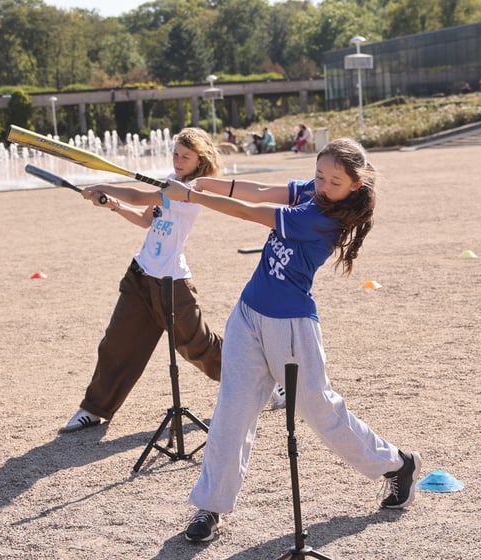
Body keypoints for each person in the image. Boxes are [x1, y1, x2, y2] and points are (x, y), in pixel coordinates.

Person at [162, 137, 421, 543]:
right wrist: (211, 185)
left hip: (291, 326)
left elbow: (256, 212)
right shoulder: (312, 192)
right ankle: (210, 507)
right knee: (232, 410)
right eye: (319, 175)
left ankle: (396, 464)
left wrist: (194, 197)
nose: (322, 185)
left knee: (321, 411)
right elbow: (262, 191)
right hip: (248, 313)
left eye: (334, 181)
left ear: (356, 185)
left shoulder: (325, 218)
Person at [59, 127, 286, 434]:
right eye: (176, 155)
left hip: (172, 283)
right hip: (141, 275)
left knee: (200, 347)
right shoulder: (172, 181)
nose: (179, 161)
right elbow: (145, 217)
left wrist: (105, 186)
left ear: (199, 160)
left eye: (186, 157)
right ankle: (94, 409)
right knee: (116, 343)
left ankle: (264, 378)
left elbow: (141, 195)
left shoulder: (192, 192)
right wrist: (113, 204)